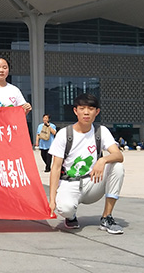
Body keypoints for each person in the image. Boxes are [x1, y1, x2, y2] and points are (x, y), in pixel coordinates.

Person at [48, 93, 125, 234]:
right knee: (65, 209)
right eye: (82, 108)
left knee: (117, 167)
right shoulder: (64, 134)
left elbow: (118, 155)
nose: (86, 112)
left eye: (90, 109)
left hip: (93, 182)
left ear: (97, 112)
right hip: (70, 183)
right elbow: (56, 168)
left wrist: (102, 160)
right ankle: (70, 216)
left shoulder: (101, 131)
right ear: (75, 111)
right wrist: (52, 199)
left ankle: (107, 217)